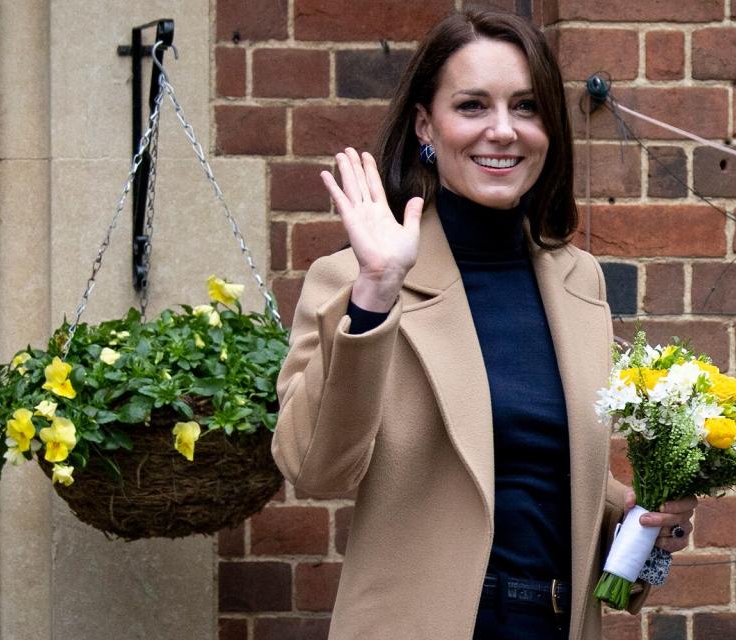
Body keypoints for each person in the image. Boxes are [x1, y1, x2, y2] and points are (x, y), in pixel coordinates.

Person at [271, 9, 697, 639]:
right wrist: (375, 293)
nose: (503, 131)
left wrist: (644, 521)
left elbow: (539, 473)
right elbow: (315, 470)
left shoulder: (578, 280)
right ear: (425, 124)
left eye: (526, 108)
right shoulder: (351, 281)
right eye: (472, 106)